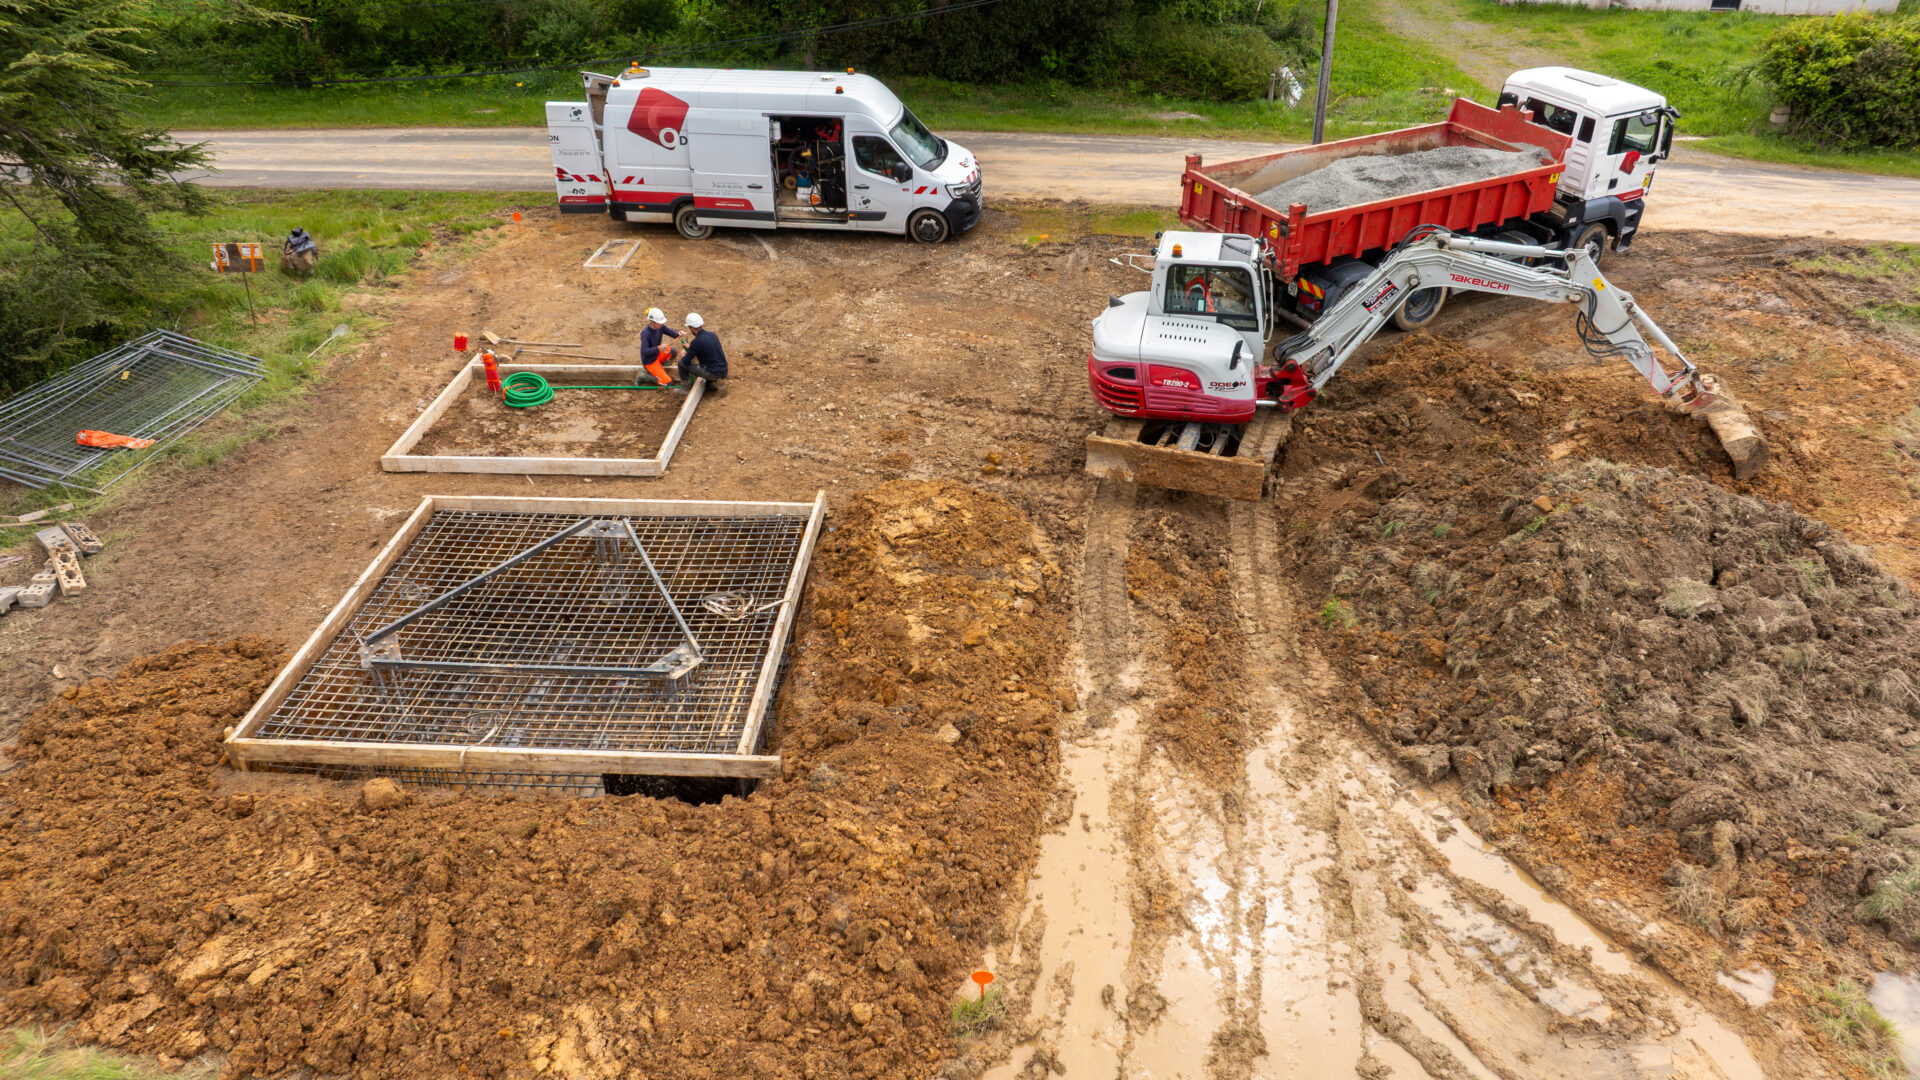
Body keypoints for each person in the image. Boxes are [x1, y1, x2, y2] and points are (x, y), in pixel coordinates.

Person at [674, 312, 726, 393]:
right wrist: (691, 348)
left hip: (711, 373)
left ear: (691, 328)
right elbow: (707, 349)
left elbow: (686, 361)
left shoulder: (696, 342)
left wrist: (683, 355)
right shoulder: (712, 335)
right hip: (723, 370)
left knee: (681, 363)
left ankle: (685, 389)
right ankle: (711, 384)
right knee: (709, 364)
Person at [637, 308, 679, 386]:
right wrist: (658, 348)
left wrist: (679, 334)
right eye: (659, 323)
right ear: (652, 322)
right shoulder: (646, 334)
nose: (662, 324)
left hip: (657, 355)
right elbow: (644, 352)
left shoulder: (660, 327)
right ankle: (644, 376)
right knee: (668, 383)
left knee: (673, 351)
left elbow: (671, 332)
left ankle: (660, 370)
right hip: (650, 362)